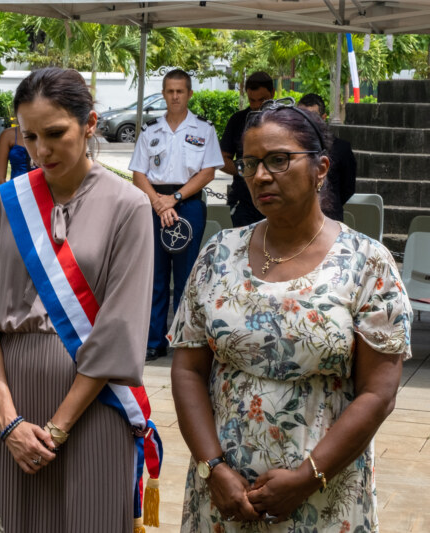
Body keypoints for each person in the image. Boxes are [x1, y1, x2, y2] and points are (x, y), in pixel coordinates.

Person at [169, 97, 412, 531]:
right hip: (224, 495)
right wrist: (213, 468)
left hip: (324, 493)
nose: (261, 175)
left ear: (321, 168)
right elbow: (188, 369)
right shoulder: (218, 253)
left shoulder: (366, 262)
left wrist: (306, 478)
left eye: (279, 160)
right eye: (250, 163)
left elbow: (379, 394)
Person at [0, 67, 155, 532]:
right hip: (4, 404)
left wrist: (55, 429)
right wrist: (8, 421)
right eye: (28, 137)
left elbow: (118, 329)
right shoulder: (3, 203)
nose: (41, 150)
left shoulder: (128, 206)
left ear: (89, 124)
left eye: (55, 133)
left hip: (92, 408)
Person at [128, 69, 224, 361]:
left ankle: (184, 339)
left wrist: (175, 198)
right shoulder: (151, 131)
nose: (174, 97)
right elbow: (138, 173)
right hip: (154, 202)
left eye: (180, 91)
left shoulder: (203, 130)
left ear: (190, 94)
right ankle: (154, 341)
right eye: (169, 91)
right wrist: (159, 203)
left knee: (186, 276)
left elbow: (208, 171)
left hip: (188, 203)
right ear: (164, 93)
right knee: (155, 276)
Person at [220, 71, 274, 227]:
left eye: (262, 100)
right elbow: (222, 159)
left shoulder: (286, 120)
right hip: (244, 199)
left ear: (272, 93)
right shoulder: (237, 120)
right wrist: (246, 171)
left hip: (278, 197)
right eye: (252, 100)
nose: (257, 105)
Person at [298, 93, 357, 221]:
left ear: (323, 118)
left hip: (331, 215)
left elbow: (348, 189)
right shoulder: (291, 148)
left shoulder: (341, 148)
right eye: (302, 117)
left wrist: (330, 200)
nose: (307, 122)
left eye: (313, 117)